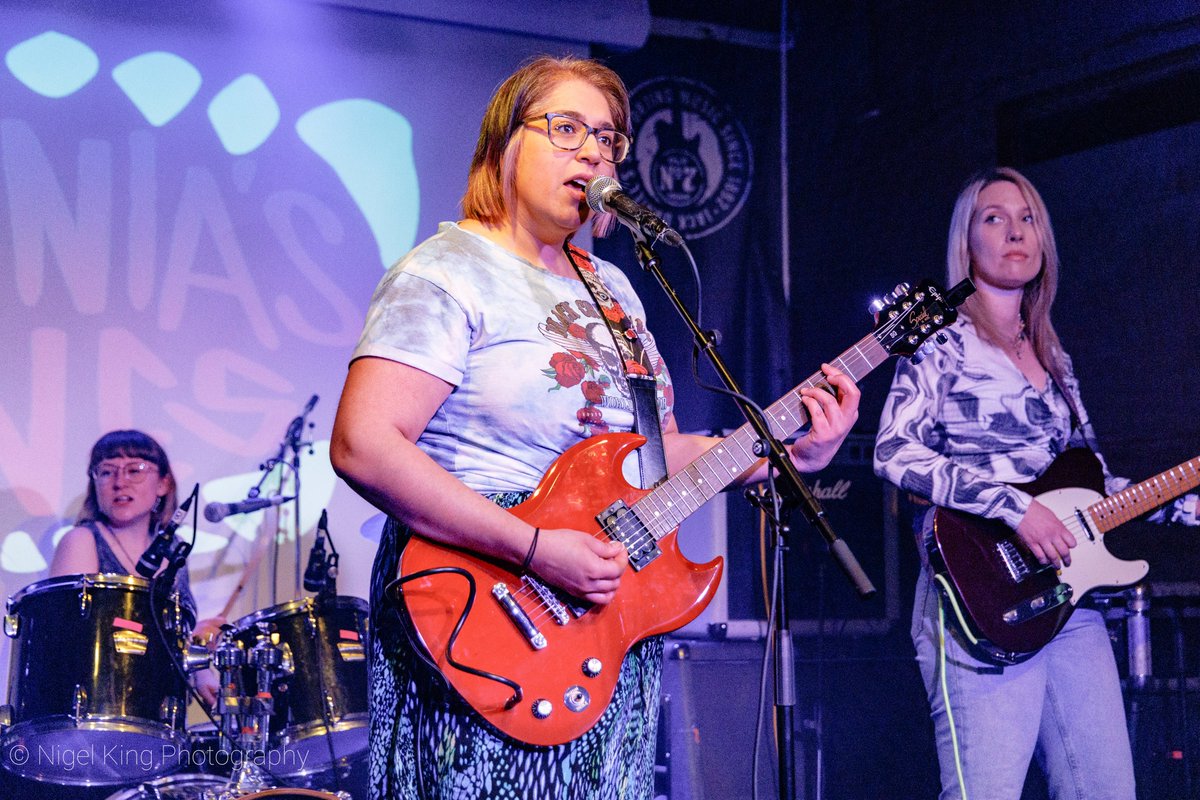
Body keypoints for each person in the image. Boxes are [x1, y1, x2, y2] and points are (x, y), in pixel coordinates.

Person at [330, 54, 860, 800]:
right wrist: (537, 547)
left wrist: (788, 452)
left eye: (609, 139)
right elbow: (364, 443)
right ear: (505, 145)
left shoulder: (614, 290)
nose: (594, 152)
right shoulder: (448, 271)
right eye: (568, 128)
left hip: (600, 623)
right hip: (483, 609)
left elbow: (652, 457)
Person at [875, 167, 1148, 799]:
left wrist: (1183, 502)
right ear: (966, 241)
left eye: (1027, 218)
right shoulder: (939, 340)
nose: (1015, 231)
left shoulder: (1056, 355)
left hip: (1066, 603)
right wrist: (1014, 508)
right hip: (976, 597)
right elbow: (892, 450)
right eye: (993, 218)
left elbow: (1094, 483)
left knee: (1106, 791)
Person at [51, 429, 222, 705]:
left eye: (135, 470)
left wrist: (198, 661)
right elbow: (72, 639)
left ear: (163, 484)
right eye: (107, 472)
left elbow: (166, 645)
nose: (120, 482)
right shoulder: (82, 541)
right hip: (98, 715)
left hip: (160, 718)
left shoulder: (174, 550)